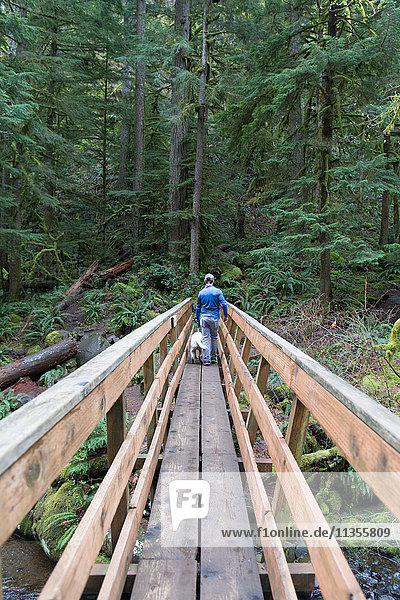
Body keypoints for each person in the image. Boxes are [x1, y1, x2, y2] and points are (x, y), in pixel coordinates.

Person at [195, 273, 228, 366]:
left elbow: (198, 307)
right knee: (214, 337)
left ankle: (206, 359)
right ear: (213, 281)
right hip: (215, 318)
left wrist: (197, 317)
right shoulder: (218, 291)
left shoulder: (201, 293)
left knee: (205, 338)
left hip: (204, 317)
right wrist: (226, 316)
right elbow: (224, 304)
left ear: (205, 281)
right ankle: (213, 358)